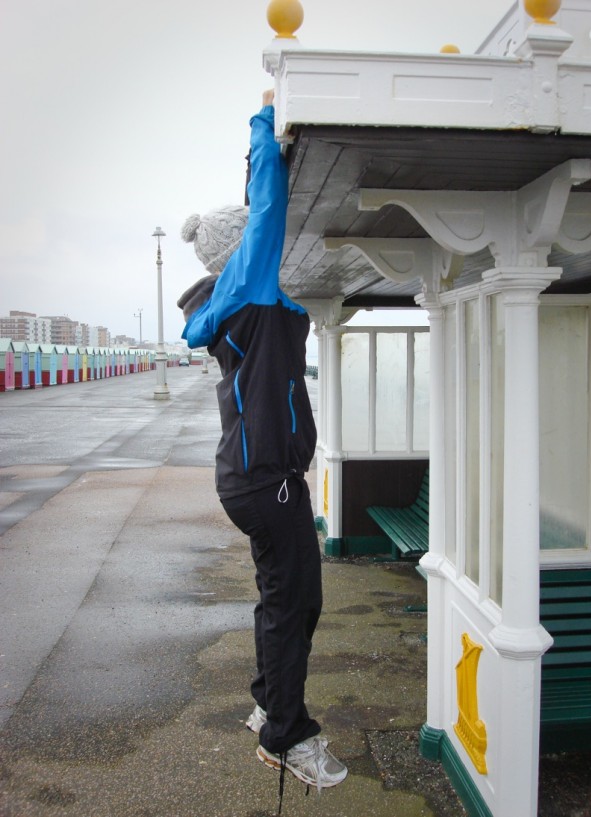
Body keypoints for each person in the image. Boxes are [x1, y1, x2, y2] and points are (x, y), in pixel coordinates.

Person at [177, 90, 347, 796]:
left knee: (290, 599)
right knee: (292, 601)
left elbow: (260, 216)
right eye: (253, 242)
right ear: (240, 253)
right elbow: (268, 209)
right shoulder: (247, 289)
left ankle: (267, 701)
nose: (264, 244)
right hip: (265, 479)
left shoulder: (239, 300)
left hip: (259, 477)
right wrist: (265, 124)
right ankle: (286, 734)